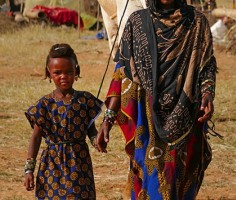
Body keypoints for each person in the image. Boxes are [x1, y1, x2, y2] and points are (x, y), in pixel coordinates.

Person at [96, 0, 217, 199]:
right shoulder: (137, 23)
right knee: (152, 180)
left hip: (187, 112)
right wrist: (107, 120)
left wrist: (207, 94)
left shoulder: (196, 23)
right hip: (148, 117)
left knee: (182, 180)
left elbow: (207, 64)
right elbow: (121, 73)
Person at [24, 43, 103, 199]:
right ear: (49, 73)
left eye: (68, 72)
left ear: (77, 72)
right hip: (52, 164)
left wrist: (97, 141)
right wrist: (29, 170)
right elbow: (36, 137)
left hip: (79, 162)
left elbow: (90, 129)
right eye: (57, 73)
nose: (63, 76)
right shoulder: (44, 104)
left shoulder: (84, 100)